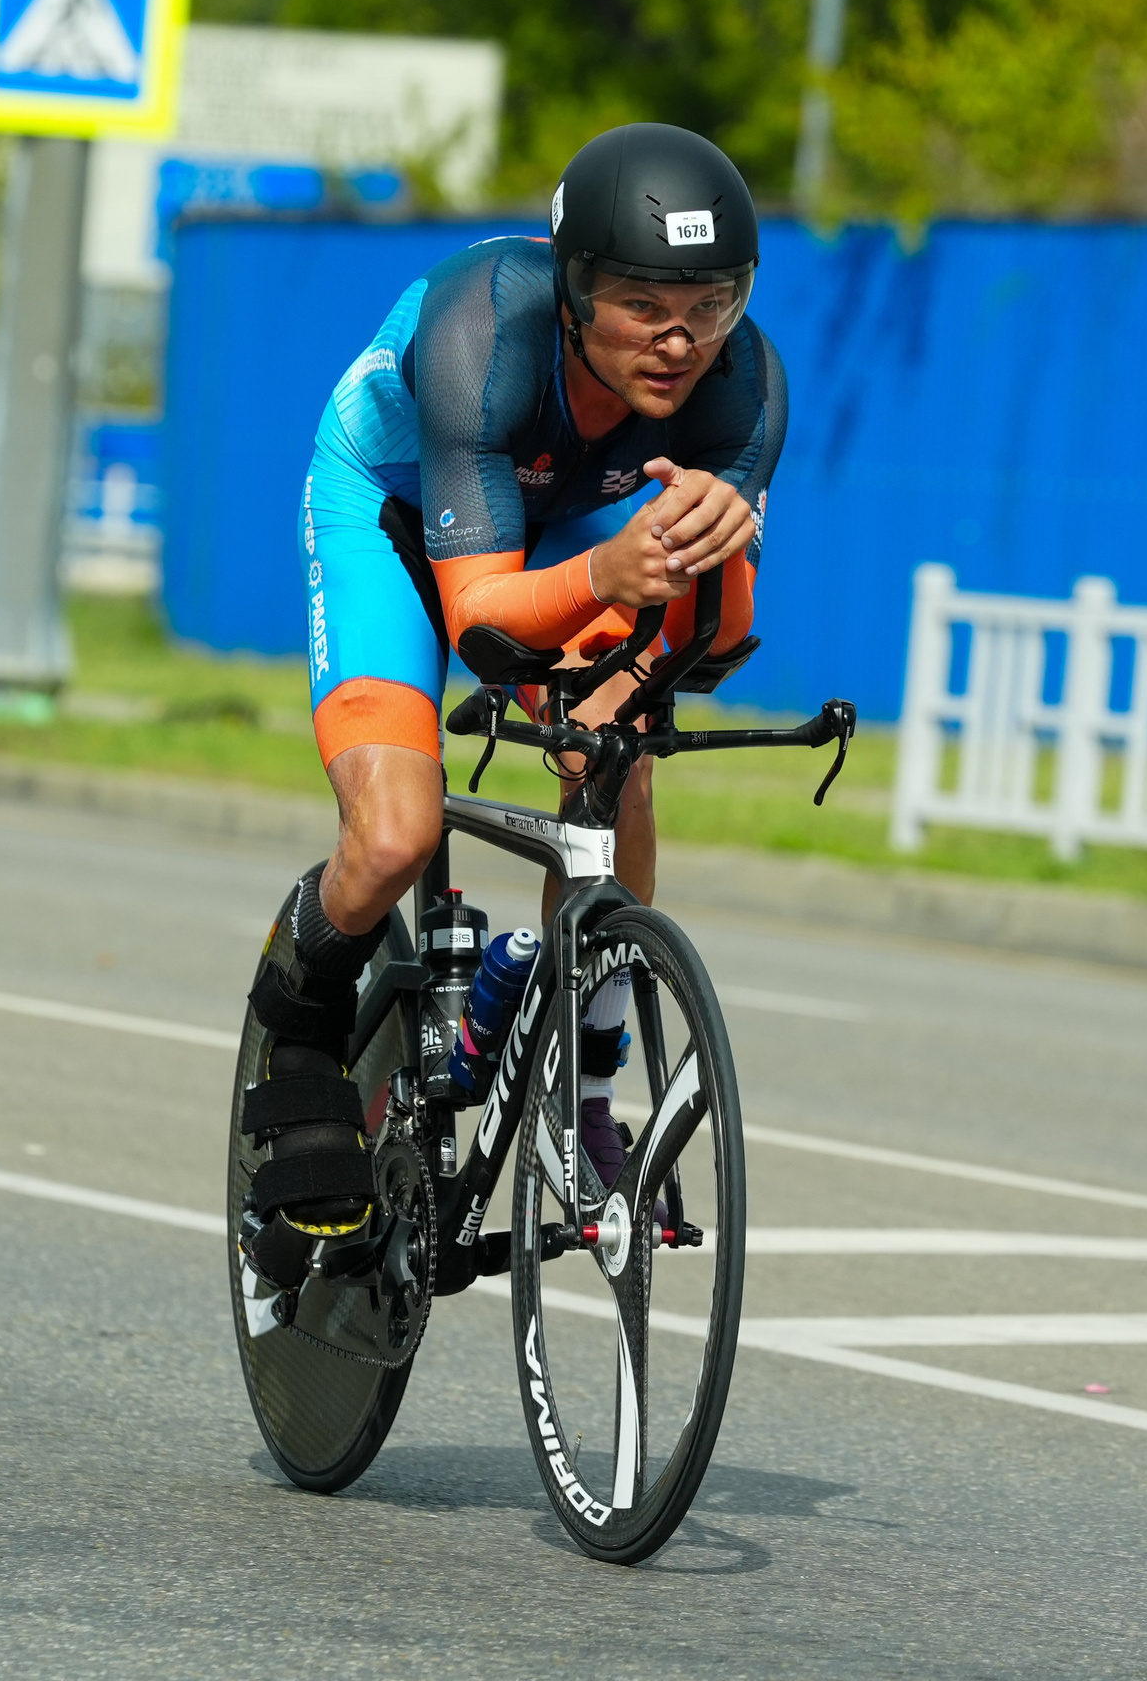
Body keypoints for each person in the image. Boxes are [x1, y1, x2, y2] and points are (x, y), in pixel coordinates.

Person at [240, 123, 783, 1291]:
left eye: (712, 300)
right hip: (389, 514)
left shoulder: (740, 389)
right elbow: (484, 623)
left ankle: (581, 1085)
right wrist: (605, 579)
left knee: (621, 760)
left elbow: (705, 635)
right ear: (575, 282)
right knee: (395, 834)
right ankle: (299, 1031)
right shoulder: (486, 328)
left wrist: (630, 693)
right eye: (641, 302)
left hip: (558, 535)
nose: (678, 338)